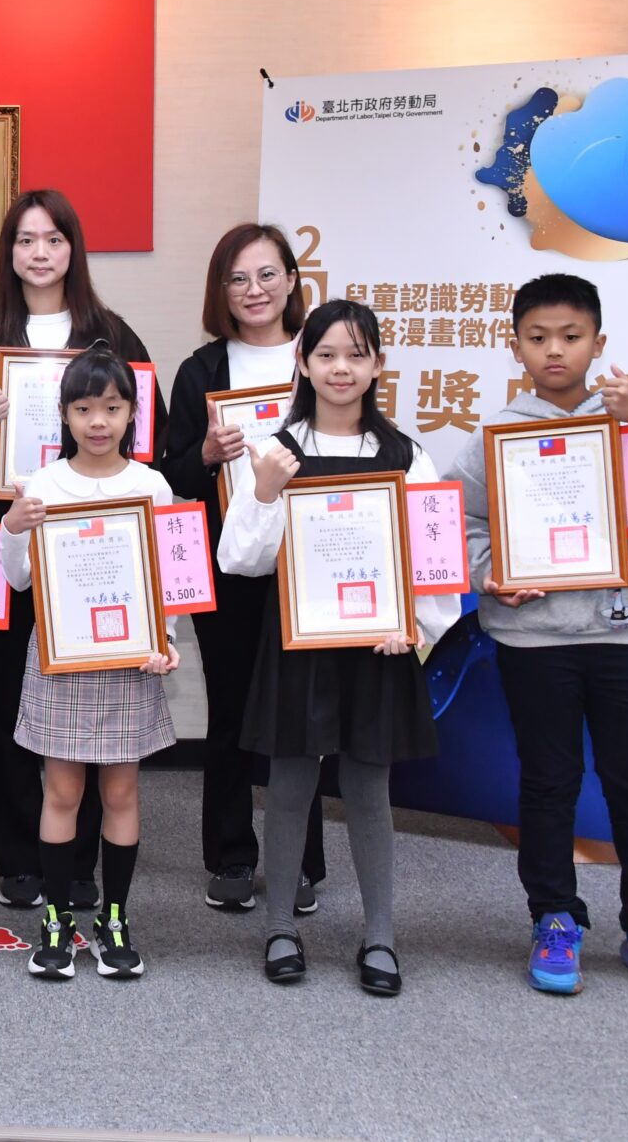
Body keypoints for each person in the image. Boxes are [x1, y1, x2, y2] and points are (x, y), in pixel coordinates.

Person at [451, 273, 628, 998]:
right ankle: (554, 916)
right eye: (538, 337)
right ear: (515, 345)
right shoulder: (497, 436)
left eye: (571, 336)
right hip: (533, 639)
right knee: (548, 781)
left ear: (598, 343)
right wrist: (489, 573)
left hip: (626, 636)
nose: (555, 350)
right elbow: (461, 522)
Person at [0, 189, 168, 913]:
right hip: (11, 539)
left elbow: (147, 439)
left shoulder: (113, 333)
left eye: (54, 239)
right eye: (26, 240)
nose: (40, 253)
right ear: (8, 252)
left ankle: (81, 861)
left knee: (97, 707)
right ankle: (19, 856)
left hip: (99, 555)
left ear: (74, 248)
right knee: (13, 700)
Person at [218, 300, 458, 997]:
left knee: (369, 789)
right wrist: (266, 492)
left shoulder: (407, 454)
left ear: (379, 364)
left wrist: (416, 626)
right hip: (301, 643)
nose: (341, 368)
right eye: (326, 354)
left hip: (377, 647)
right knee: (290, 785)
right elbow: (239, 559)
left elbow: (434, 558)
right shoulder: (275, 449)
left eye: (356, 354)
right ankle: (279, 927)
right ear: (303, 362)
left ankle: (379, 935)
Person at [153, 222, 326, 917]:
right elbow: (170, 474)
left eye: (266, 274)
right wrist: (205, 453)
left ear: (292, 279)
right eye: (237, 279)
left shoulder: (322, 354)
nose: (254, 290)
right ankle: (231, 854)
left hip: (308, 562)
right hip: (227, 563)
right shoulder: (202, 369)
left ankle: (301, 860)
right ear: (220, 291)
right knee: (228, 708)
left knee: (301, 716)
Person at [0, 348, 179, 981]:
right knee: (62, 791)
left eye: (112, 407)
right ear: (64, 414)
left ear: (132, 413)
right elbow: (18, 579)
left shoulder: (152, 486)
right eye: (83, 408)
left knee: (121, 792)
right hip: (62, 657)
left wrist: (165, 639)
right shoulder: (44, 485)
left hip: (130, 659)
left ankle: (115, 918)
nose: (98, 421)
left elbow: (168, 578)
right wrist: (12, 526)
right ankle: (55, 919)